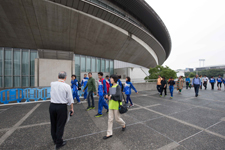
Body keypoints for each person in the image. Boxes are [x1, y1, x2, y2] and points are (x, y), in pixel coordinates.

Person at [49, 71, 74, 149]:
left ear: (58, 76)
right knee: (60, 125)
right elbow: (70, 98)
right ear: (65, 77)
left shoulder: (52, 84)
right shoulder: (67, 86)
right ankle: (59, 142)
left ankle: (55, 140)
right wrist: (72, 108)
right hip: (61, 107)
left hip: (52, 106)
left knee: (53, 124)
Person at [104, 74, 126, 140]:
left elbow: (118, 96)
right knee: (110, 119)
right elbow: (110, 95)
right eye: (110, 78)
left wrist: (111, 97)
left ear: (114, 79)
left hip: (116, 105)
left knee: (117, 119)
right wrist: (107, 96)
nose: (110, 79)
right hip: (111, 105)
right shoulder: (111, 87)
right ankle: (109, 133)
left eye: (111, 78)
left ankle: (123, 124)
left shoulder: (117, 86)